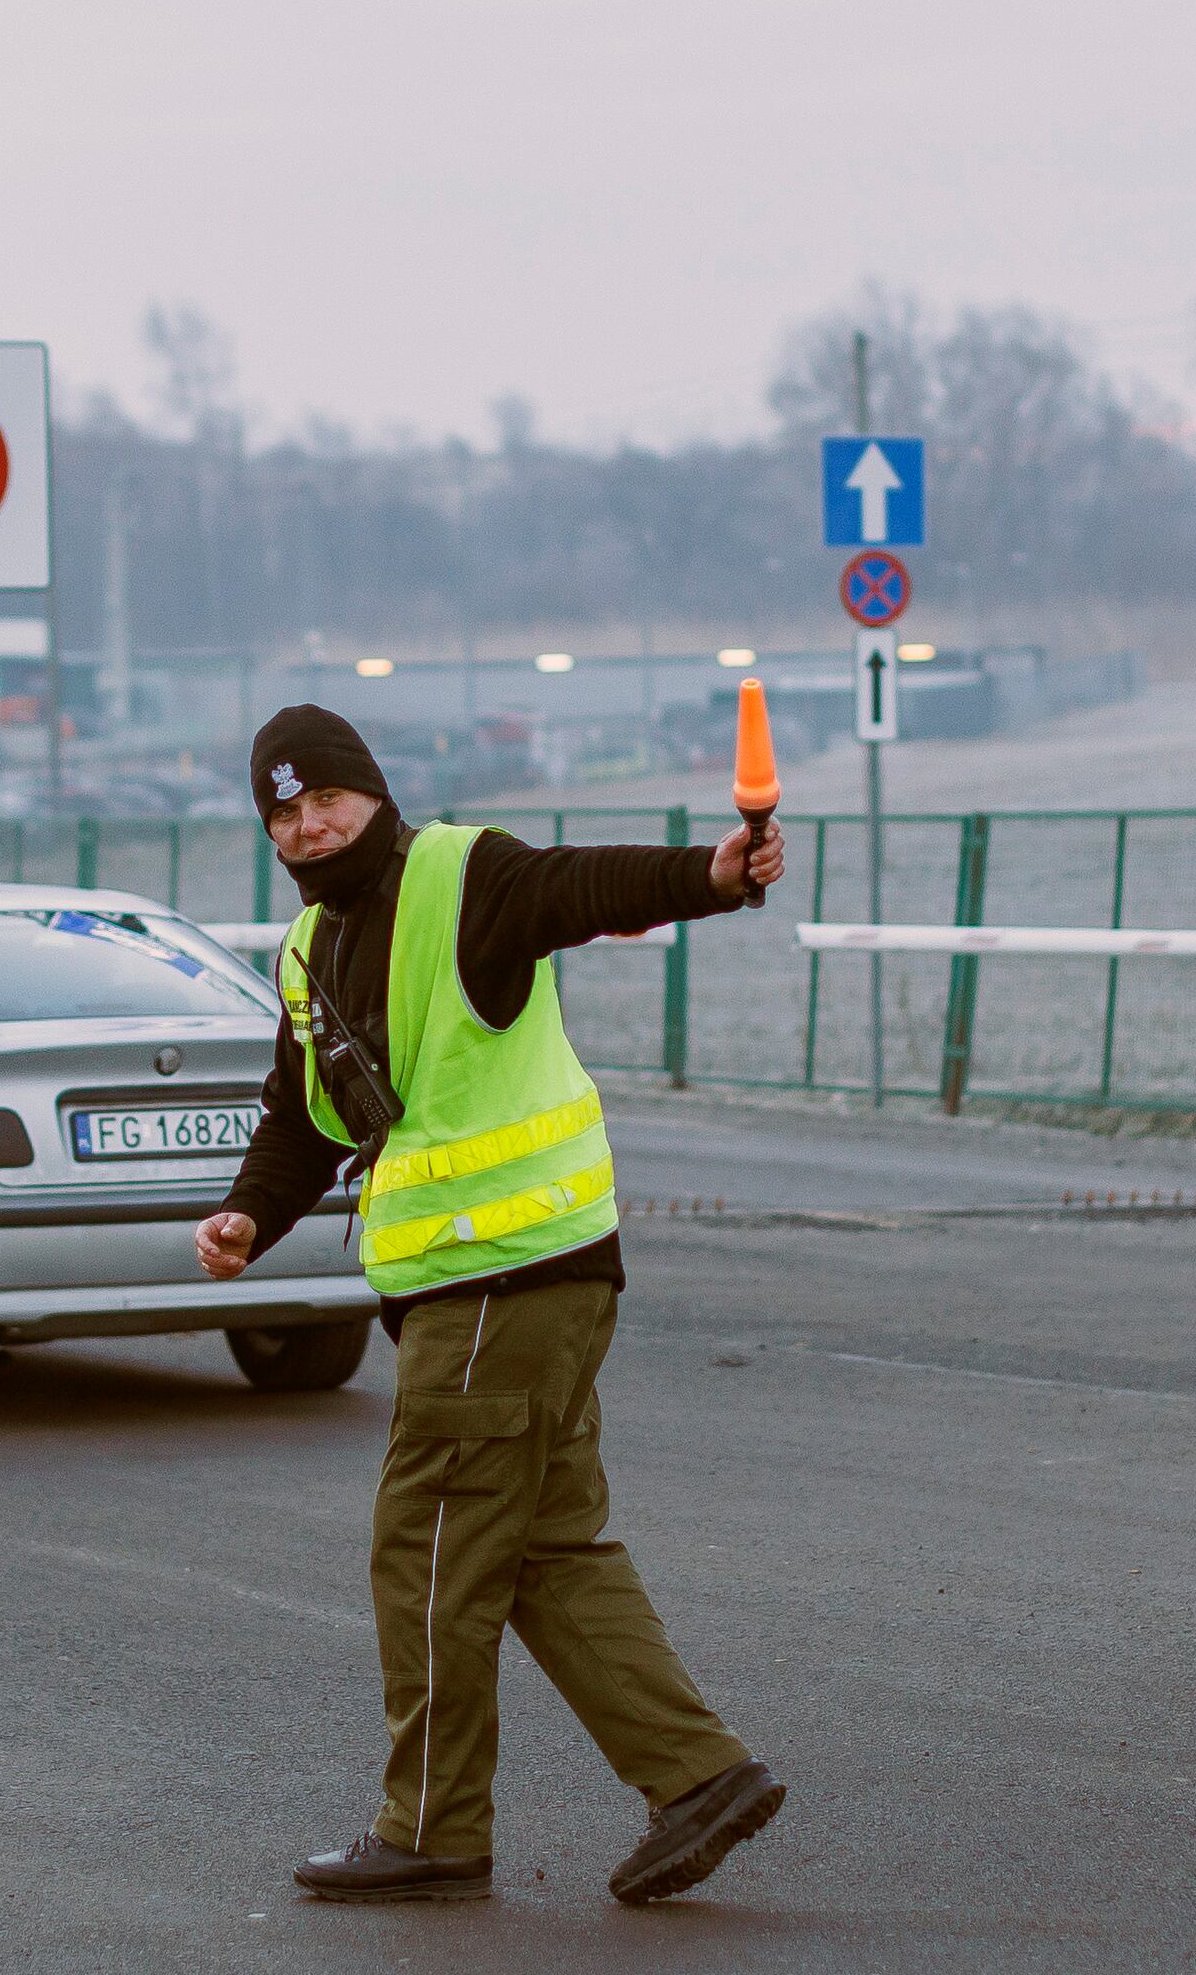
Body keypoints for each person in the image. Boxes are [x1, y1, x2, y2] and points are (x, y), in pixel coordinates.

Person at [196, 704, 792, 1906]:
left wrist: (712, 874)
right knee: (540, 1547)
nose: (310, 827)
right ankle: (698, 1777)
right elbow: (304, 1114)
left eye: (328, 800)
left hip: (496, 1278)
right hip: (525, 1281)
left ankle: (429, 1827)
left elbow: (580, 887)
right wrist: (249, 1215)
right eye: (284, 813)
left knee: (423, 1554)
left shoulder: (462, 876)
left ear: (374, 794)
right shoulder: (309, 948)